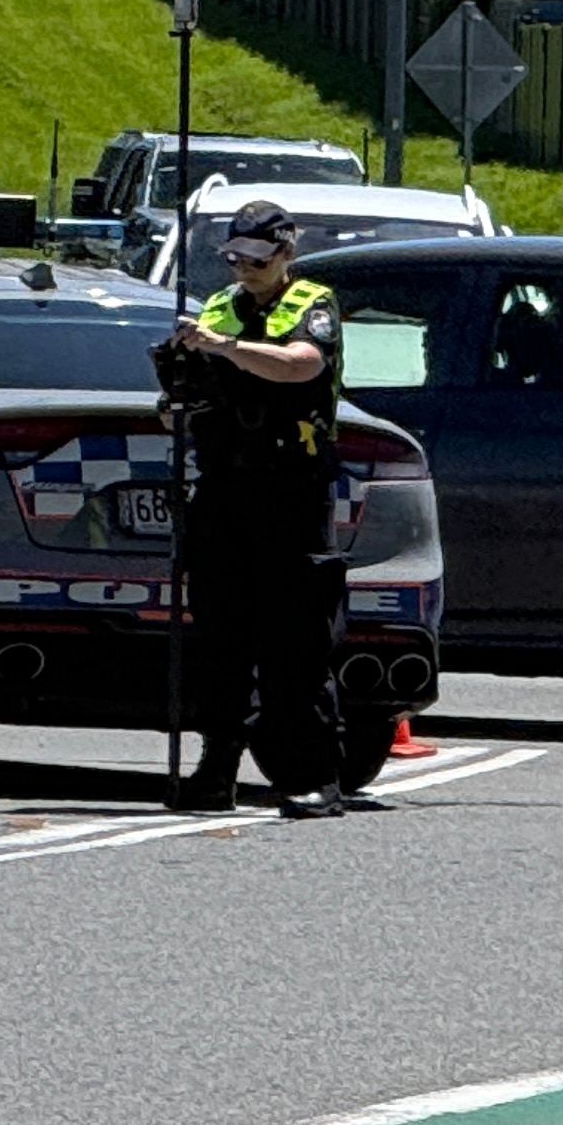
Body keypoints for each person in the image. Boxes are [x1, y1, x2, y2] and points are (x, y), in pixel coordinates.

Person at [156, 196, 355, 820]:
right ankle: (216, 772)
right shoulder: (218, 306)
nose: (244, 268)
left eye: (257, 259)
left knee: (296, 640)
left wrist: (223, 347)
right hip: (223, 488)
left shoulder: (312, 303)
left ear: (286, 252)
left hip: (291, 488)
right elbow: (184, 394)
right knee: (221, 639)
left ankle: (312, 775)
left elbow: (302, 366)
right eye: (235, 258)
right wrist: (177, 396)